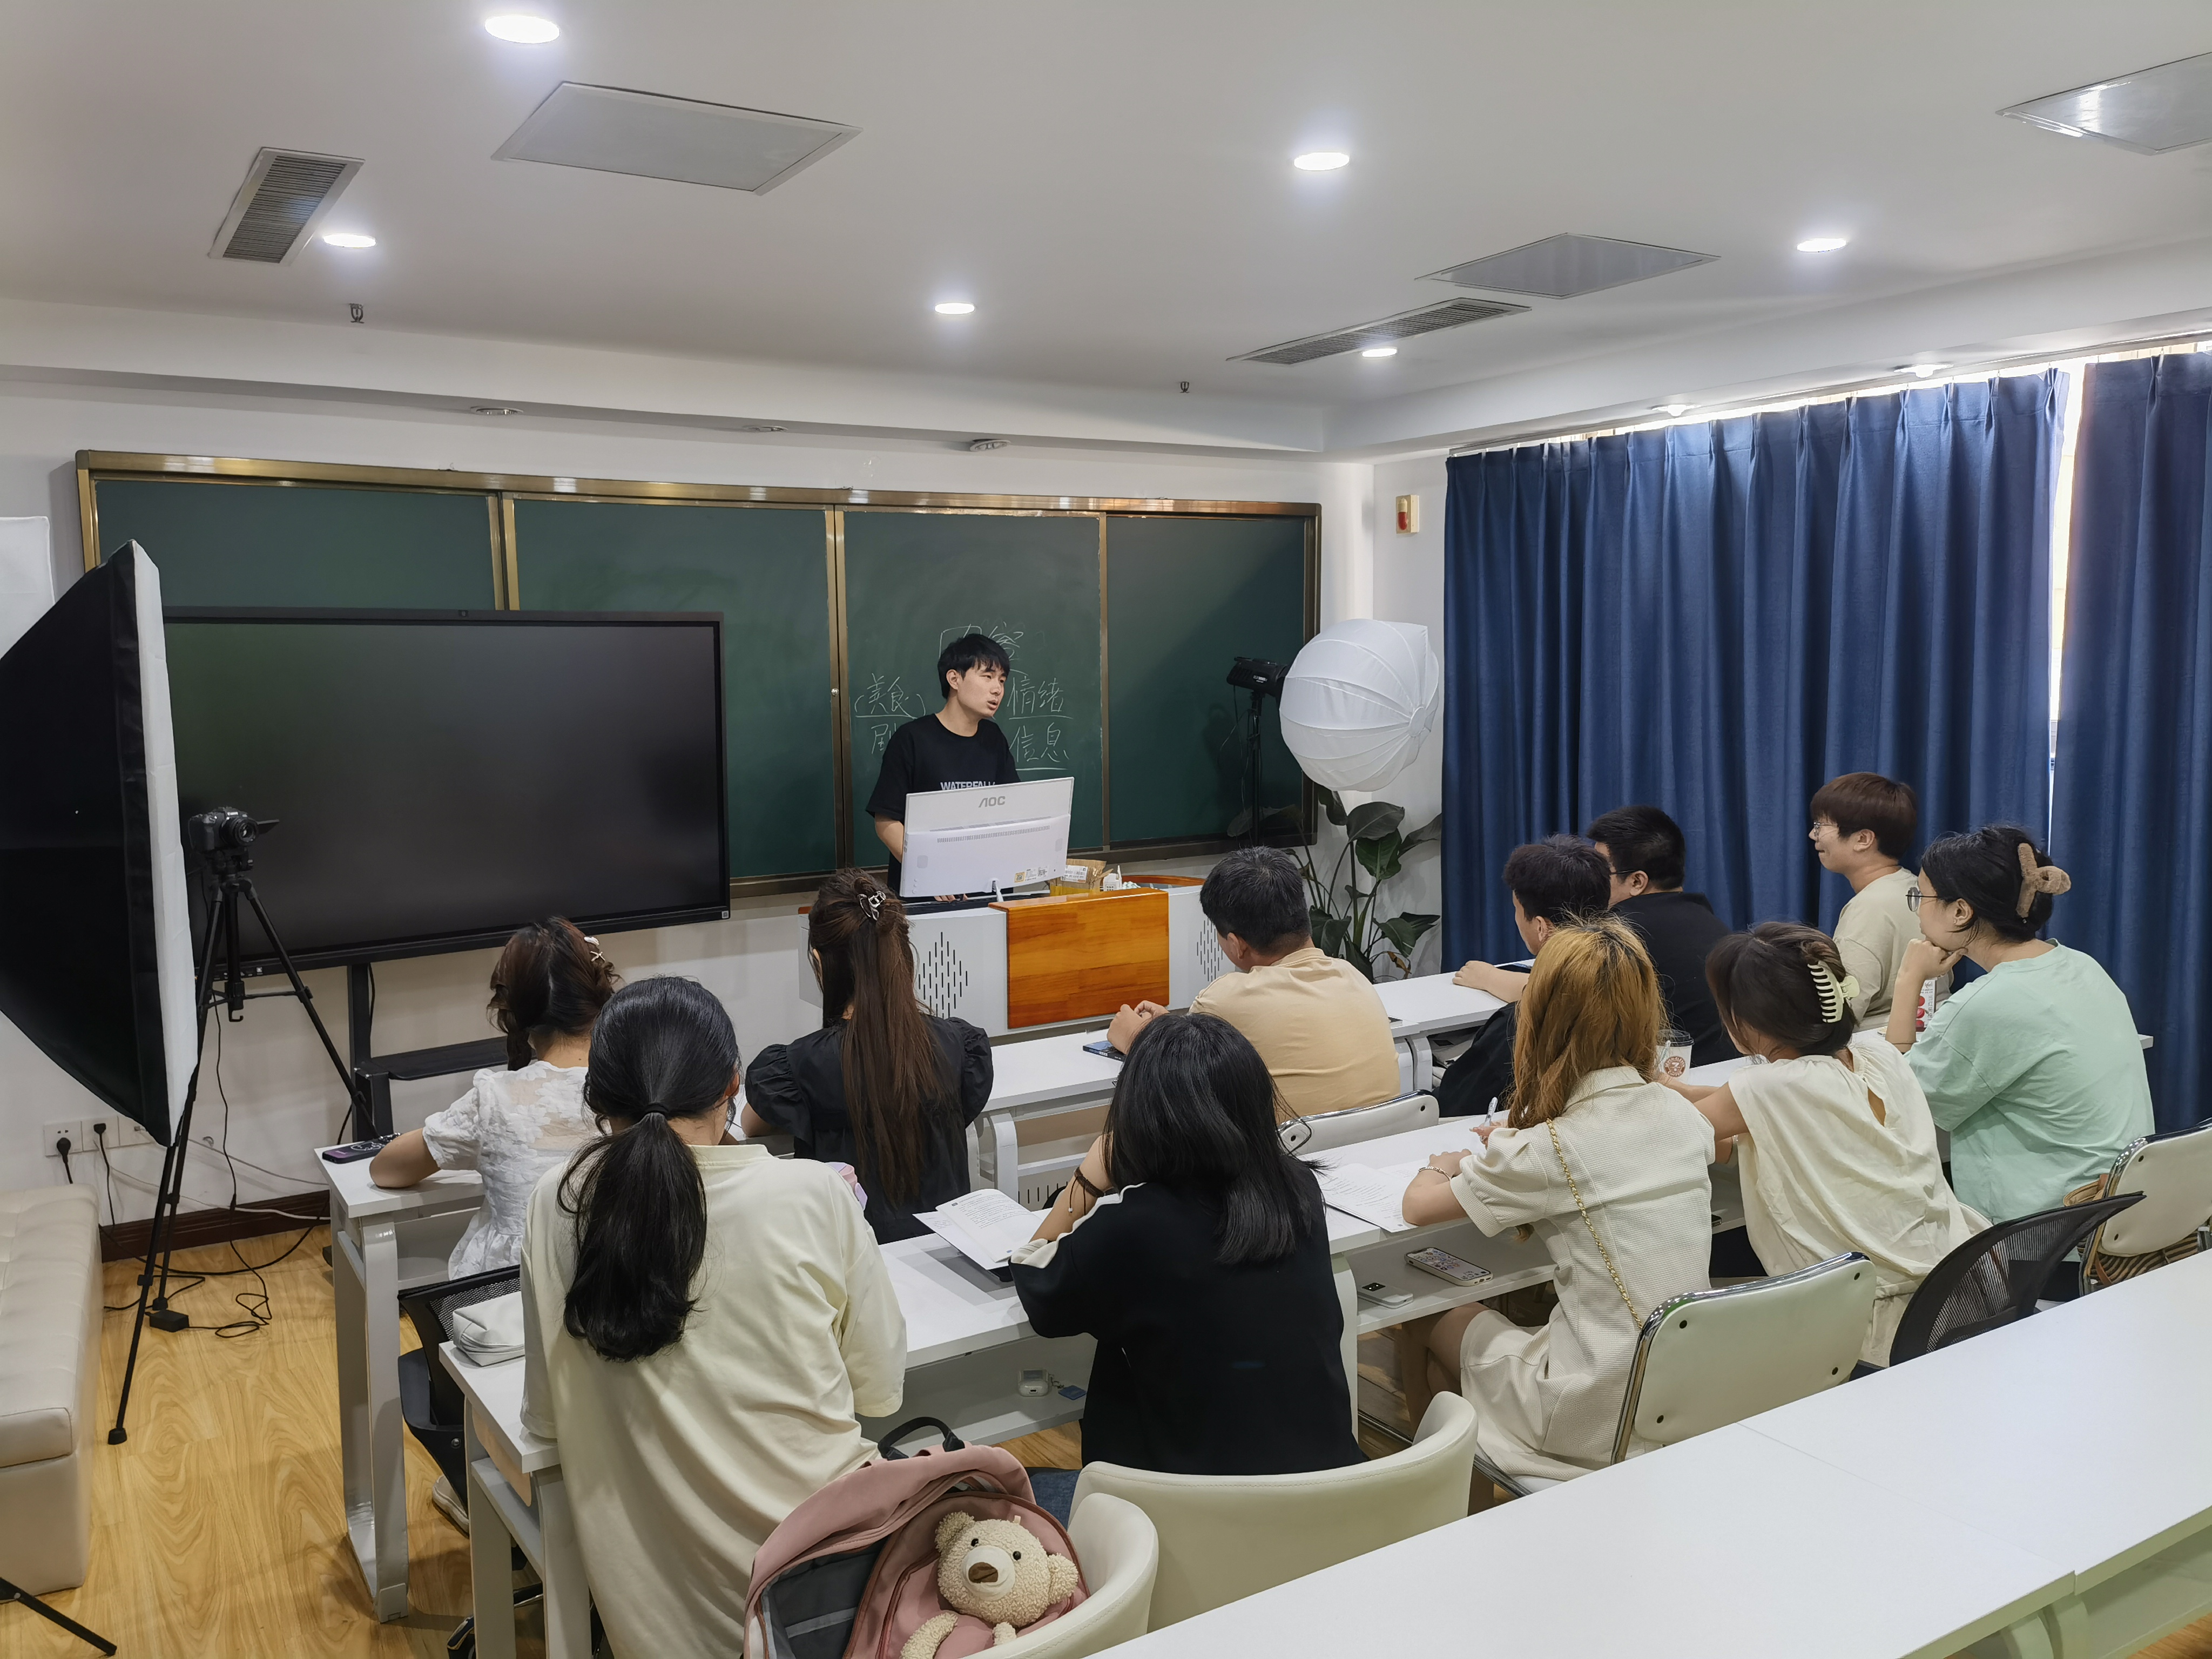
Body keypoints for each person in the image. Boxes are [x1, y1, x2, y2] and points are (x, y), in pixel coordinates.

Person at [520, 977, 904, 1658]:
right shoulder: (814, 1193)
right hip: (834, 1603)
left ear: (597, 1099)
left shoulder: (558, 1204)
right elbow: (879, 1390)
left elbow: (545, 1422)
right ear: (733, 1085)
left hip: (663, 1635)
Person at [1397, 915, 1714, 1483]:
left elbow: (1419, 1208)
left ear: (1538, 1018)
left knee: (1430, 1316)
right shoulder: (1681, 1115)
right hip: (1686, 1387)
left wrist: (1440, 1165)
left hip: (1597, 1409)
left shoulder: (1546, 1151)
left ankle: (1439, 1505)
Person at [1009, 1011, 1363, 1476]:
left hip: (1183, 1515)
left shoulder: (1133, 1228)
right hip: (1328, 1488)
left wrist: (1088, 1179)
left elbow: (1037, 1282)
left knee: (1003, 1492)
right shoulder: (1298, 1190)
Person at [1671, 922, 1980, 1366]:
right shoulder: (1881, 1056)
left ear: (1746, 1021)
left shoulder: (1767, 1088)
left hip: (1870, 1327)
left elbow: (1677, 1131)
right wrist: (1675, 1090)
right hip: (1960, 1285)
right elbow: (1771, 1104)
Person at [1885, 825, 2153, 1223]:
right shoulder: (2081, 965)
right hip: (2118, 1207)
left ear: (1960, 911)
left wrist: (1909, 980)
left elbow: (1900, 1101)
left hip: (2045, 1232)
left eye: (1920, 897)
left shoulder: (1989, 1004)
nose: (1918, 908)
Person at [742, 870, 994, 1243]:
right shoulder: (956, 1045)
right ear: (901, 955)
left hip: (854, 1270)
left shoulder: (803, 1066)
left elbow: (751, 1126)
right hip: (952, 1262)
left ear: (820, 961)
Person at [369, 918, 614, 1275]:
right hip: (622, 1296)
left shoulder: (495, 1099)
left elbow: (385, 1171)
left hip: (509, 1305)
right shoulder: (643, 1088)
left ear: (513, 1012)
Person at [1105, 846, 1399, 1118]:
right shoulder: (1353, 976)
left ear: (1236, 944)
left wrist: (1139, 1037)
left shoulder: (1226, 998)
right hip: (1379, 1155)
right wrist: (1173, 1028)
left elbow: (1181, 1082)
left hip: (1293, 1165)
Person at [1438, 836, 1612, 1120]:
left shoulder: (1522, 1025)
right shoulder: (1631, 991)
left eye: (1518, 911)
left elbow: (1453, 1107)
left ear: (1542, 927)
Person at [866, 631, 1022, 894]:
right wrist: (931, 873)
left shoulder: (994, 739)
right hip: (926, 892)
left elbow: (1014, 812)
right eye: (987, 676)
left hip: (987, 888)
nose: (998, 689)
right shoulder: (912, 739)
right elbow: (886, 821)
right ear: (954, 679)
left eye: (1002, 680)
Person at [1586, 804, 1738, 1067]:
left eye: (1600, 872)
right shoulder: (1707, 918)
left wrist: (1488, 975)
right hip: (1729, 1070)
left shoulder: (1620, 932)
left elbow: (1550, 992)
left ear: (1637, 882)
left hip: (1673, 1083)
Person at [1809, 771, 1950, 1031]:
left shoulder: (1869, 908)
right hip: (1932, 1035)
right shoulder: (1916, 888)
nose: (1812, 835)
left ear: (1863, 839)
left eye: (1820, 826)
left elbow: (1843, 1013)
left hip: (1884, 1049)